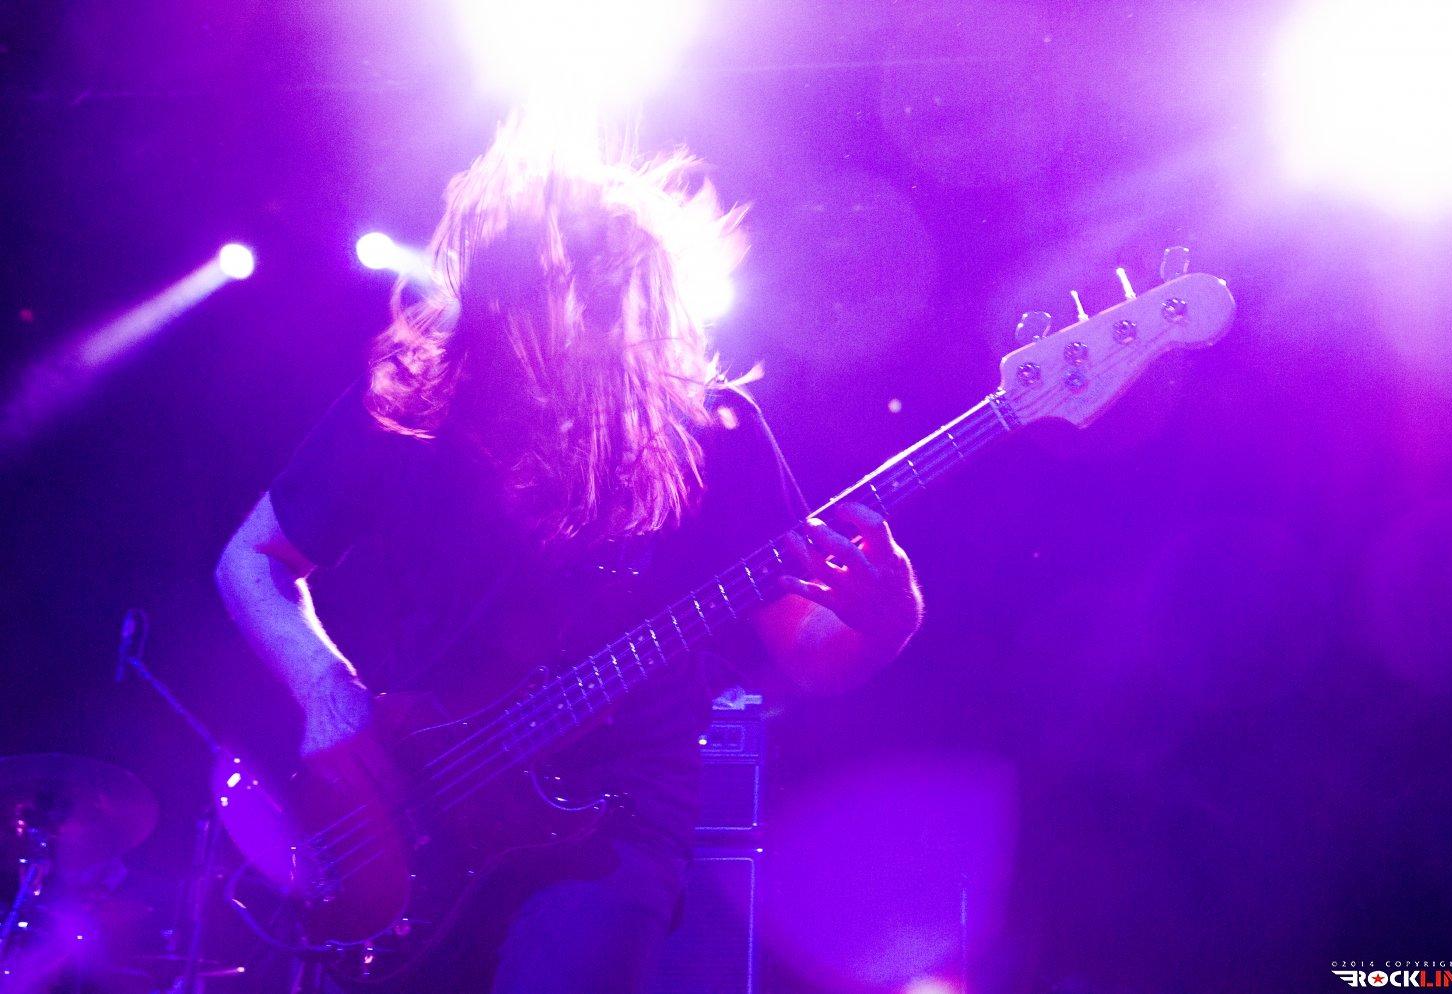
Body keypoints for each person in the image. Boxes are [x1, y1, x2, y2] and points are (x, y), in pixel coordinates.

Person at [214, 118, 923, 994]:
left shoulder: (710, 433)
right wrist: (327, 690)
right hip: (422, 800)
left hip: (610, 823)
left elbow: (806, 650)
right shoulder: (418, 396)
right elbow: (251, 558)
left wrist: (886, 624)